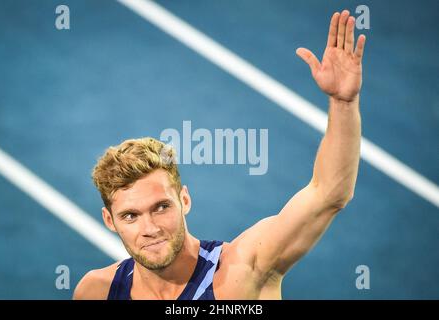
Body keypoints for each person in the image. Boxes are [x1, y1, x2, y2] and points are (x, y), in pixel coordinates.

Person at [73, 9, 366, 300]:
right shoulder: (96, 292)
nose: (150, 228)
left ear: (184, 199)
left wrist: (343, 102)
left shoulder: (243, 270)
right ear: (109, 221)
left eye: (161, 207)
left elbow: (329, 193)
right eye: (130, 216)